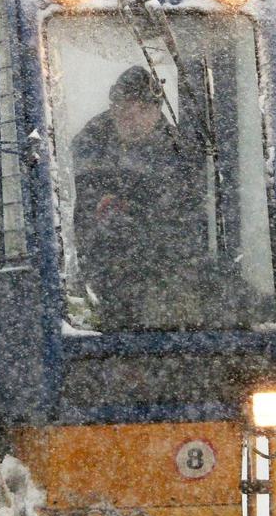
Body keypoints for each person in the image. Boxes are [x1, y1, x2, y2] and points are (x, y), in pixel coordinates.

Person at [72, 66, 208, 328]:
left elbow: (191, 226)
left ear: (158, 111)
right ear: (113, 110)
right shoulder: (89, 150)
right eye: (124, 110)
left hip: (167, 276)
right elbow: (79, 221)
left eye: (143, 110)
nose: (133, 120)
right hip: (104, 282)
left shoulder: (181, 155)